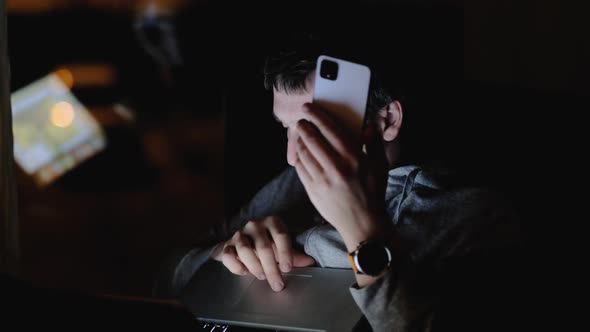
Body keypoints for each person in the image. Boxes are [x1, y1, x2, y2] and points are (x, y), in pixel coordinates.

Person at [156, 49, 523, 331]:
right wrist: (226, 253)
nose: (292, 156)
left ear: (387, 120)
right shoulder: (296, 180)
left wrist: (360, 232)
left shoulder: (472, 214)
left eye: (314, 127)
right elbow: (168, 276)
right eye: (287, 128)